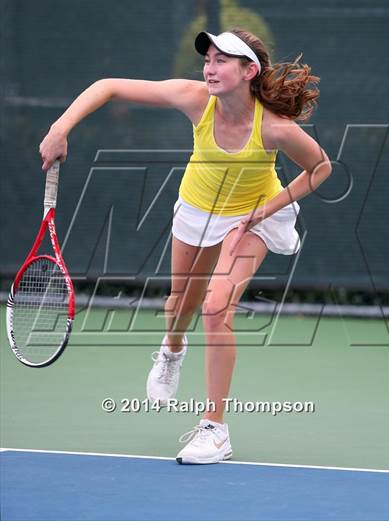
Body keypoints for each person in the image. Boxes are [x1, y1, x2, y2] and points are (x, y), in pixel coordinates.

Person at [39, 28, 332, 465]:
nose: (209, 69)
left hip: (251, 217)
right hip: (197, 210)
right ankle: (173, 347)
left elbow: (320, 168)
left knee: (216, 310)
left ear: (249, 71)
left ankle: (215, 429)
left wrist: (267, 209)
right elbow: (109, 86)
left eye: (221, 61)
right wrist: (59, 128)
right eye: (207, 60)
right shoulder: (195, 99)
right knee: (181, 305)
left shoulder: (274, 128)